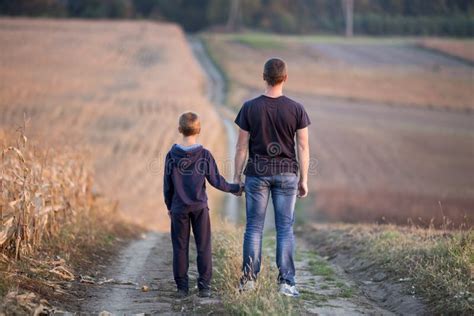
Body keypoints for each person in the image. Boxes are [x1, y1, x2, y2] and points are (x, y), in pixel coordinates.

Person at [233, 58, 311, 297]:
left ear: (263, 76)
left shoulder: (249, 107)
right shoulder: (296, 109)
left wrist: (237, 178)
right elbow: (303, 147)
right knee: (284, 229)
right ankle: (286, 283)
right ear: (285, 78)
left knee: (254, 228)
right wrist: (304, 179)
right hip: (287, 174)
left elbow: (241, 148)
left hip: (256, 174)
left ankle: (248, 282)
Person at [164, 112, 243, 298]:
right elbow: (216, 181)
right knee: (203, 246)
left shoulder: (171, 155)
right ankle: (204, 287)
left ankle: (182, 288)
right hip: (199, 207)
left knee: (180, 247)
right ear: (199, 130)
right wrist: (236, 188)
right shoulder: (204, 155)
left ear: (179, 129)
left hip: (178, 208)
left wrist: (169, 206)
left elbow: (167, 185)